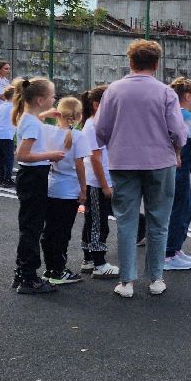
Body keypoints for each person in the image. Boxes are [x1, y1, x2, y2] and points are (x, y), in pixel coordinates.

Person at [92, 39, 188, 300]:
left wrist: (115, 142)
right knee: (159, 220)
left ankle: (126, 281)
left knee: (126, 221)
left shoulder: (113, 90)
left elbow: (100, 129)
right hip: (160, 161)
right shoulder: (165, 92)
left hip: (123, 161)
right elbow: (178, 131)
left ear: (130, 61)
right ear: (156, 64)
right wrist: (177, 150)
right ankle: (156, 278)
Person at [11, 76, 65, 295]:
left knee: (30, 226)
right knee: (32, 228)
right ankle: (29, 277)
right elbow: (22, 154)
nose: (55, 99)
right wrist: (50, 155)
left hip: (31, 177)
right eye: (52, 96)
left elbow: (34, 122)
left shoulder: (29, 117)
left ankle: (22, 272)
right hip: (33, 177)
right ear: (40, 100)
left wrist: (45, 114)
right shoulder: (32, 123)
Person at [39, 95, 88, 286]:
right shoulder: (79, 136)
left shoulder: (48, 131)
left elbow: (32, 120)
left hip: (51, 186)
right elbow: (80, 165)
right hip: (69, 189)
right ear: (78, 116)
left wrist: (46, 113)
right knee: (62, 232)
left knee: (49, 230)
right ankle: (59, 270)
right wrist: (83, 190)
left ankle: (50, 268)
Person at [163, 77, 191, 272]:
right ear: (188, 96)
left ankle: (175, 249)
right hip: (180, 168)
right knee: (181, 210)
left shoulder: (169, 113)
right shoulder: (186, 116)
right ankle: (169, 253)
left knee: (180, 208)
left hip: (172, 167)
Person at [78, 84, 118, 278]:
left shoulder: (94, 123)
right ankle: (99, 263)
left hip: (96, 181)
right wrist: (105, 185)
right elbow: (95, 158)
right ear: (96, 105)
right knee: (98, 222)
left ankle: (89, 259)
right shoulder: (93, 125)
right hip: (96, 182)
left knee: (92, 220)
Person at [0, 82, 18, 188]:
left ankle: (1, 178)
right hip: (6, 135)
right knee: (9, 158)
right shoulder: (13, 107)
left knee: (1, 158)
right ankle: (7, 179)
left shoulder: (2, 106)